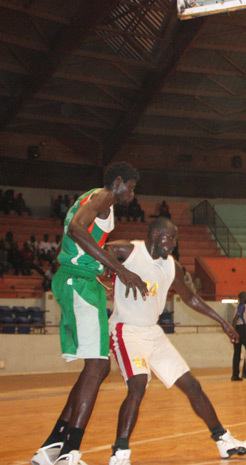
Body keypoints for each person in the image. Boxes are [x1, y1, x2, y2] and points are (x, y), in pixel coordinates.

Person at [107, 218, 246, 463]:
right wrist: (117, 270)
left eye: (175, 239)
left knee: (192, 386)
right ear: (155, 234)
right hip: (126, 330)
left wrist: (222, 322)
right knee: (138, 385)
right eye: (170, 238)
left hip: (153, 332)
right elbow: (107, 249)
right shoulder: (131, 250)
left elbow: (190, 298)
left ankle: (223, 441)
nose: (173, 244)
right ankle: (120, 454)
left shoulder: (172, 267)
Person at [30, 162, 149, 465]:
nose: (132, 194)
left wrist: (99, 272)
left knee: (97, 367)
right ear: (119, 181)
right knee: (97, 367)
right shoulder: (104, 197)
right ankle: (70, 452)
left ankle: (52, 447)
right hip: (77, 283)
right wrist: (119, 269)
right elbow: (76, 229)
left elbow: (81, 244)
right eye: (131, 187)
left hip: (79, 280)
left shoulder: (91, 197)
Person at [232, 291, 246, 381]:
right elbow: (235, 319)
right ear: (243, 297)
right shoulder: (242, 306)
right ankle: (245, 372)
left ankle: (235, 375)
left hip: (238, 329)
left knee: (237, 353)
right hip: (242, 330)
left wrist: (233, 332)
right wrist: (234, 332)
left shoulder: (239, 306)